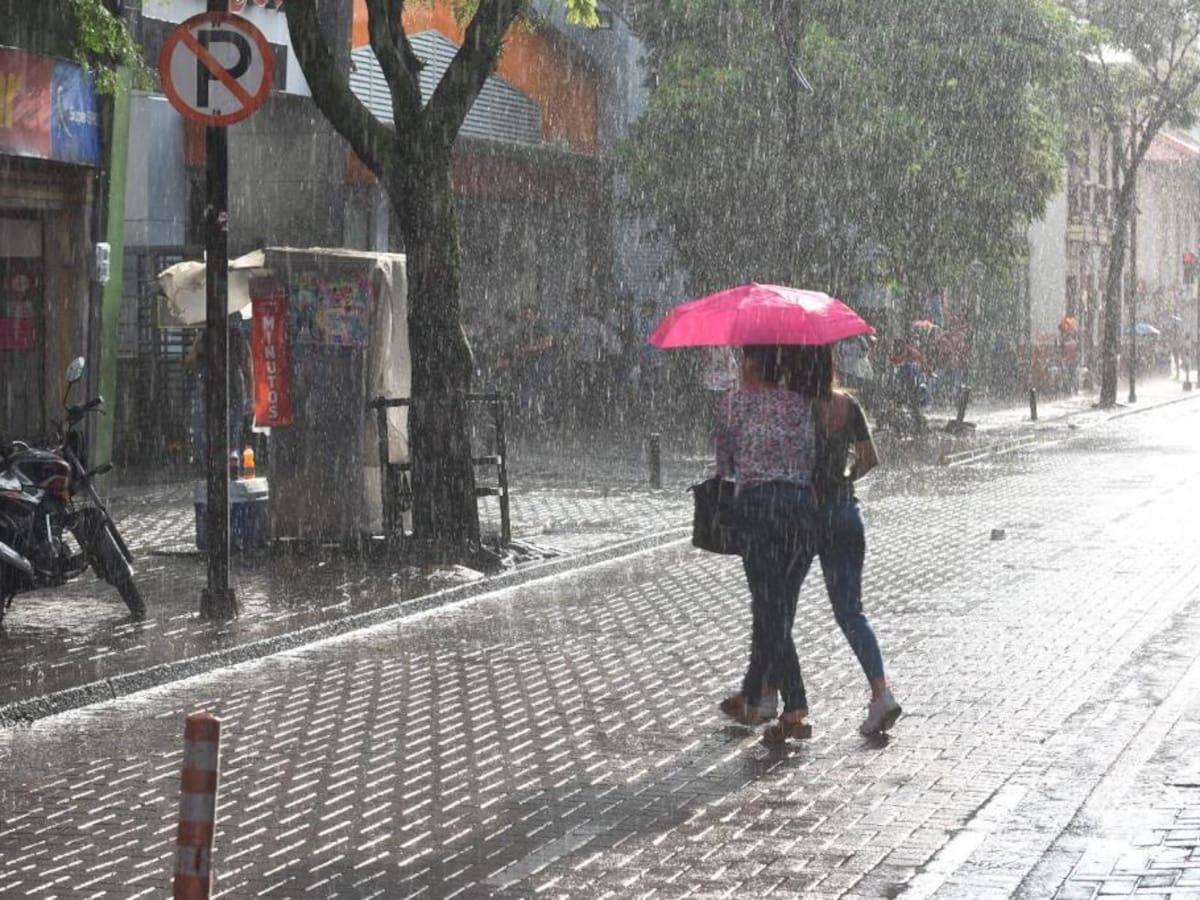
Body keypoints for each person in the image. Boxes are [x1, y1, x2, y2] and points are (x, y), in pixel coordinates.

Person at [714, 345, 820, 745]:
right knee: (777, 607)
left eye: (744, 359)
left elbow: (724, 463)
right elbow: (811, 455)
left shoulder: (736, 403)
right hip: (801, 511)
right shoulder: (799, 404)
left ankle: (795, 702)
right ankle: (753, 693)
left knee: (769, 609)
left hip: (759, 509)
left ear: (752, 365)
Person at [799, 344, 902, 736]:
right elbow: (870, 458)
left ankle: (774, 697)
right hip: (846, 513)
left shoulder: (797, 409)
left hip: (807, 516)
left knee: (778, 606)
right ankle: (881, 692)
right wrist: (843, 479)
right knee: (851, 613)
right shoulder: (848, 405)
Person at [185, 313, 252, 467]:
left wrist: (196, 348)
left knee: (211, 426)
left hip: (212, 385)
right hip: (231, 384)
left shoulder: (206, 335)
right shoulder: (237, 335)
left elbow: (190, 362)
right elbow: (247, 367)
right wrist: (251, 397)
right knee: (232, 427)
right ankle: (231, 457)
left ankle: (213, 460)